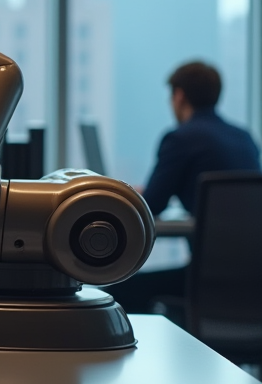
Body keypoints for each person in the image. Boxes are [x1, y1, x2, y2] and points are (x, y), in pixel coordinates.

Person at [109, 61, 261, 315]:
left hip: (206, 279)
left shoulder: (181, 138)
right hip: (253, 277)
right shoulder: (244, 137)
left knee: (117, 291)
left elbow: (153, 206)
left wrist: (137, 195)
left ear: (179, 95)